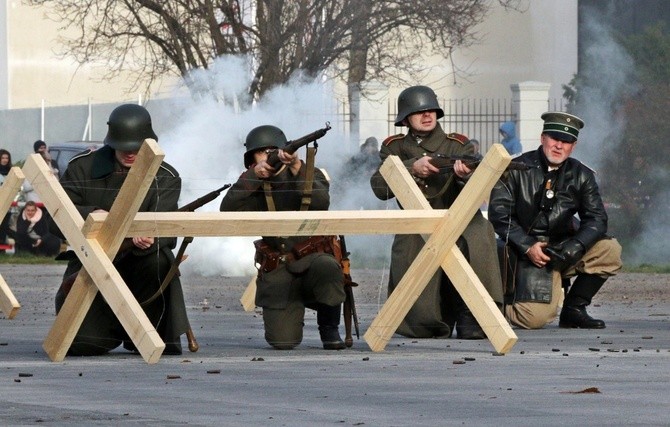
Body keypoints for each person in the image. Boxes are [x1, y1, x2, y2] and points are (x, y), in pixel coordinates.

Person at [52, 103, 190, 356]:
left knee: (159, 261)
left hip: (142, 264)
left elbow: (168, 230)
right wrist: (92, 215)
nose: (129, 153)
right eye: (123, 146)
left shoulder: (166, 176)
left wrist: (148, 235)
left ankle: (150, 332)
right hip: (94, 264)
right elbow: (56, 218)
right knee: (84, 345)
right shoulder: (82, 168)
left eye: (136, 147)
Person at [369, 85, 504, 339]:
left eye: (431, 109)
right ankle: (426, 320)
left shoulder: (458, 145)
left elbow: (479, 186)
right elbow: (379, 187)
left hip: (458, 215)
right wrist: (411, 168)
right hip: (416, 220)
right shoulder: (394, 148)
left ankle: (474, 315)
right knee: (410, 249)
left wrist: (466, 177)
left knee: (478, 235)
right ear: (406, 118)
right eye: (419, 111)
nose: (427, 115)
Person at [488, 112, 622, 329]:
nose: (559, 146)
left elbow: (597, 219)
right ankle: (490, 308)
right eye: (554, 139)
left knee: (610, 249)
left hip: (563, 250)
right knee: (534, 320)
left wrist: (577, 245)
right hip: (526, 254)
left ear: (573, 146)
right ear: (543, 138)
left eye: (566, 141)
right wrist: (528, 246)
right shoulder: (514, 169)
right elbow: (500, 216)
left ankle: (573, 310)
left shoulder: (582, 174)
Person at [220, 125, 347, 350]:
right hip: (278, 267)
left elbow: (321, 203)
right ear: (253, 159)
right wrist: (253, 176)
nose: (269, 155)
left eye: (273, 150)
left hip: (313, 260)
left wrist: (297, 167)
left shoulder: (307, 172)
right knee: (282, 341)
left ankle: (329, 327)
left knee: (328, 266)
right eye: (262, 152)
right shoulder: (253, 184)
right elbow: (228, 209)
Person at [0, 149, 13, 251]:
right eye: (3, 158)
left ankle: (3, 249)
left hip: (8, 204)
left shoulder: (11, 172)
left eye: (7, 158)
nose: (5, 160)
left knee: (5, 226)